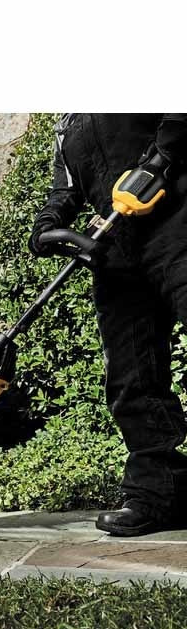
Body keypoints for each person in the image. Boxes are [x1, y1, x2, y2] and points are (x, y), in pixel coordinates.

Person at [29, 114, 187, 536]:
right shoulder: (65, 122)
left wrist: (159, 160)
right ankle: (161, 492)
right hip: (116, 248)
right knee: (130, 377)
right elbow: (65, 188)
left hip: (176, 217)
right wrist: (47, 225)